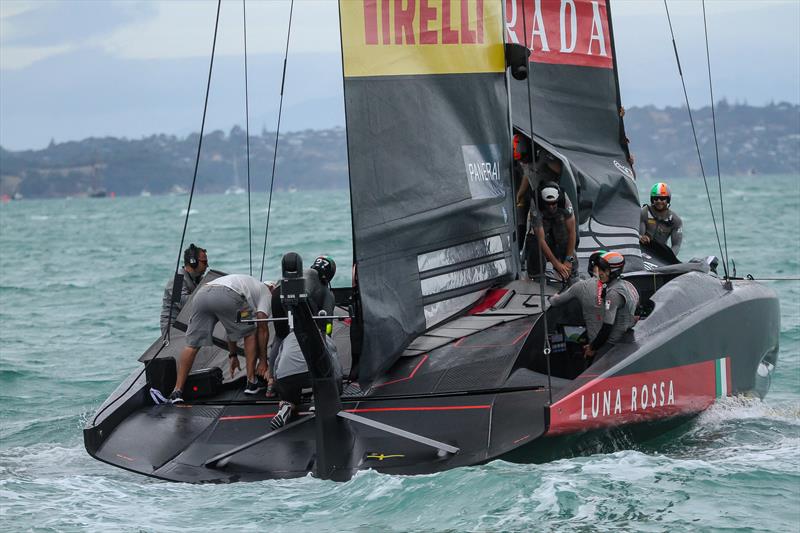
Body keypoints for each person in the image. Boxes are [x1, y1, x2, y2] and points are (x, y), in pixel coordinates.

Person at [169, 273, 271, 403]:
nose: (206, 266)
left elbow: (231, 329)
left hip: (202, 294)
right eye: (204, 262)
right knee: (250, 332)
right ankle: (251, 382)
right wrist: (263, 361)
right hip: (225, 295)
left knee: (192, 345)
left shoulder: (193, 277)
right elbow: (262, 323)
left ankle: (177, 391)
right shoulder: (267, 290)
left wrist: (233, 355)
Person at [269, 256, 342, 429]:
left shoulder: (302, 273)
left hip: (279, 293)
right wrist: (323, 331)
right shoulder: (326, 291)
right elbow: (327, 326)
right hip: (303, 301)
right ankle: (320, 399)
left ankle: (278, 394)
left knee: (281, 340)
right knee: (328, 354)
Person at [550, 251, 638, 363]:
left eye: (603, 270)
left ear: (613, 272)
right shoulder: (628, 286)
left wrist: (592, 348)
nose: (600, 273)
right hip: (625, 344)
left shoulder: (612, 294)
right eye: (599, 269)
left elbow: (606, 328)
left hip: (608, 347)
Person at [526, 181, 577, 284]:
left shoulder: (565, 202)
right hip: (542, 219)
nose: (551, 207)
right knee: (534, 242)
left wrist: (569, 260)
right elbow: (541, 239)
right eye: (548, 204)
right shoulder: (536, 203)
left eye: (553, 203)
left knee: (564, 238)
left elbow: (572, 232)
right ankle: (536, 276)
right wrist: (557, 264)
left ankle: (572, 274)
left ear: (558, 200)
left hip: (560, 217)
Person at [160, 244, 208, 335]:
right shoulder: (177, 280)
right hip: (173, 328)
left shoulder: (198, 278)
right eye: (204, 262)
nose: (207, 266)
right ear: (193, 262)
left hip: (188, 324)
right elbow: (183, 303)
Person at [640, 182, 683, 256]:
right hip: (642, 250)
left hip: (660, 255)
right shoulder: (644, 212)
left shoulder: (675, 220)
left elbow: (676, 245)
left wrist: (669, 257)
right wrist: (641, 237)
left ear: (668, 200)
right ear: (652, 200)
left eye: (662, 198)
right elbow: (637, 235)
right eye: (656, 198)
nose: (659, 201)